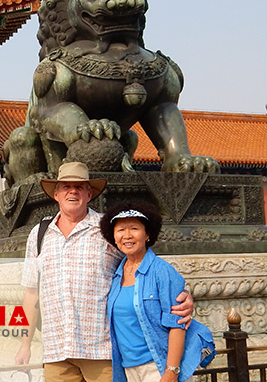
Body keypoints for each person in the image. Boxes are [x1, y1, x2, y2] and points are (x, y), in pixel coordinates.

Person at [17, 162, 194, 382]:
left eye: (80, 187)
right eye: (66, 186)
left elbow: (142, 265)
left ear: (89, 194)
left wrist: (183, 295)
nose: (73, 191)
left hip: (101, 350)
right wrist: (24, 344)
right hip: (57, 350)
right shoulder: (39, 234)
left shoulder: (108, 229)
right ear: (56, 194)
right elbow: (32, 293)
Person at [101, 201, 216, 382]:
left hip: (157, 367)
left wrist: (171, 371)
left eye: (134, 228)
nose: (127, 235)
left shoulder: (162, 272)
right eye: (121, 230)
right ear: (114, 237)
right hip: (127, 370)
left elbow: (177, 323)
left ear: (147, 234)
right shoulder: (115, 275)